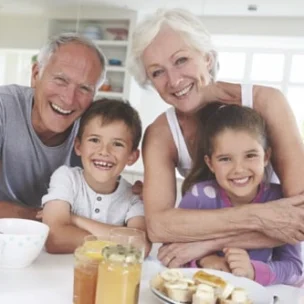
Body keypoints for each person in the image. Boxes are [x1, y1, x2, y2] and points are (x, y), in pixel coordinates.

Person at [127, 7, 304, 268]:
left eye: (181, 60)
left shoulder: (267, 103)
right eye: (157, 72)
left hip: (270, 267)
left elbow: (299, 216)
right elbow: (159, 226)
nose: (174, 80)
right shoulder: (161, 135)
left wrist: (206, 243)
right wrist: (260, 215)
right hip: (207, 268)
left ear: (207, 58)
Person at [179, 104, 302, 286]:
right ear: (210, 163)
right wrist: (205, 260)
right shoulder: (199, 197)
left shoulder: (280, 201)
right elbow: (171, 251)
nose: (239, 169)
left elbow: (295, 269)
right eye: (225, 159)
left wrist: (253, 271)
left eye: (250, 155)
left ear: (266, 157)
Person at [0, 33, 106, 220]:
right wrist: (39, 216)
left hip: (60, 235)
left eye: (84, 88)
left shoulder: (93, 129)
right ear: (35, 75)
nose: (68, 98)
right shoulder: (4, 107)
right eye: (60, 80)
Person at [42, 99, 151, 255]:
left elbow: (141, 247)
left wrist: (74, 220)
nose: (104, 151)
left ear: (132, 156)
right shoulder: (66, 178)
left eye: (117, 144)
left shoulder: (134, 197)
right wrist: (119, 241)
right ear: (78, 146)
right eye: (94, 140)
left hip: (109, 277)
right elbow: (55, 239)